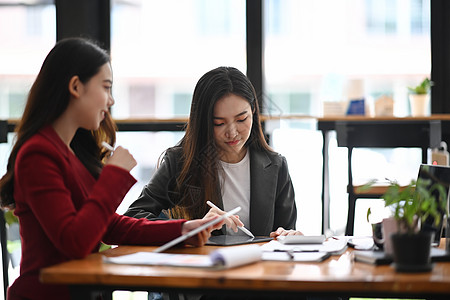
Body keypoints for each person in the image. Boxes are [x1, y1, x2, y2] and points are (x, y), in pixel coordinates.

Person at [0, 38, 223, 300]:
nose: (112, 100)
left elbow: (108, 225)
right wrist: (114, 176)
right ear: (75, 87)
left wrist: (182, 230)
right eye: (106, 88)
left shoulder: (70, 150)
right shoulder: (38, 154)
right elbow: (75, 242)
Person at [125, 66, 301, 238]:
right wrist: (188, 228)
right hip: (202, 265)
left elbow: (285, 232)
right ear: (203, 122)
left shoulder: (275, 166)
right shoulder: (180, 162)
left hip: (258, 266)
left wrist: (289, 236)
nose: (232, 132)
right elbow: (133, 217)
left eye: (241, 119)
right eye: (219, 123)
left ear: (253, 111)